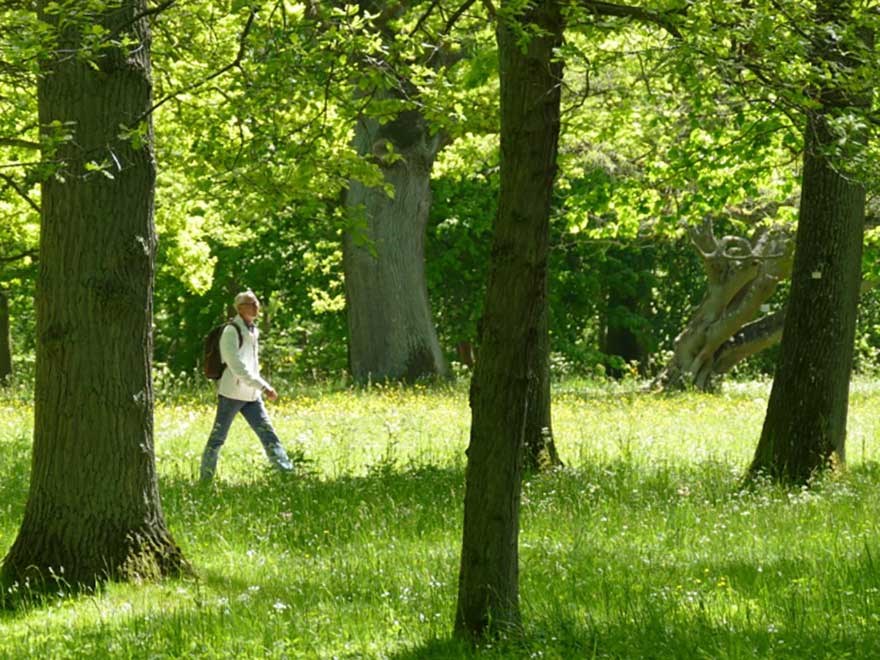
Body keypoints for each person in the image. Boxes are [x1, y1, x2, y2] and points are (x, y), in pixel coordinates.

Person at [200, 290, 293, 482]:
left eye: (256, 302)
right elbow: (236, 366)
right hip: (231, 394)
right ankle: (205, 480)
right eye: (251, 303)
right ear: (240, 308)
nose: (256, 306)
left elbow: (252, 365)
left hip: (252, 396)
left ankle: (287, 475)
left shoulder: (253, 330)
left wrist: (258, 388)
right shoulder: (230, 331)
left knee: (269, 435)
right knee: (217, 439)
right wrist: (263, 386)